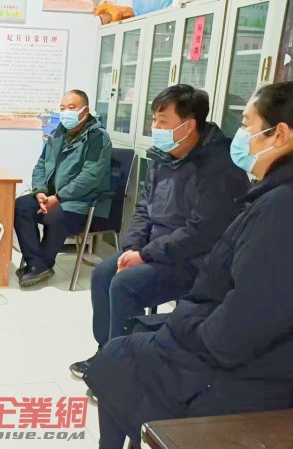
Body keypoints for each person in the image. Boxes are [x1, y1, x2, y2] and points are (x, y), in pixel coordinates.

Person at [86, 81, 293, 449]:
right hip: (273, 360)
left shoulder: (288, 210)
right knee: (123, 350)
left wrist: (182, 324)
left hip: (244, 379)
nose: (241, 136)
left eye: (248, 124)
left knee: (115, 360)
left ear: (279, 134)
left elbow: (237, 330)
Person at [70, 85, 249, 378]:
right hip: (155, 251)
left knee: (124, 284)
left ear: (188, 126)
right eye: (154, 120)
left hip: (195, 260)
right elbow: (144, 208)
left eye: (163, 122)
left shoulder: (219, 167)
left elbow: (202, 232)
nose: (155, 128)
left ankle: (122, 369)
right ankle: (108, 351)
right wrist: (132, 248)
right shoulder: (163, 156)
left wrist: (145, 255)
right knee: (103, 273)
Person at [14, 89, 114, 287]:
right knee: (21, 206)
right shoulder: (57, 134)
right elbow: (41, 165)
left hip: (82, 201)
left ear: (85, 112)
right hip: (53, 196)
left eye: (71, 107)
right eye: (62, 108)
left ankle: (41, 264)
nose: (66, 112)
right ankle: (37, 264)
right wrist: (40, 191)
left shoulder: (98, 137)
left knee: (55, 215)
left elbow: (90, 177)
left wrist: (58, 198)